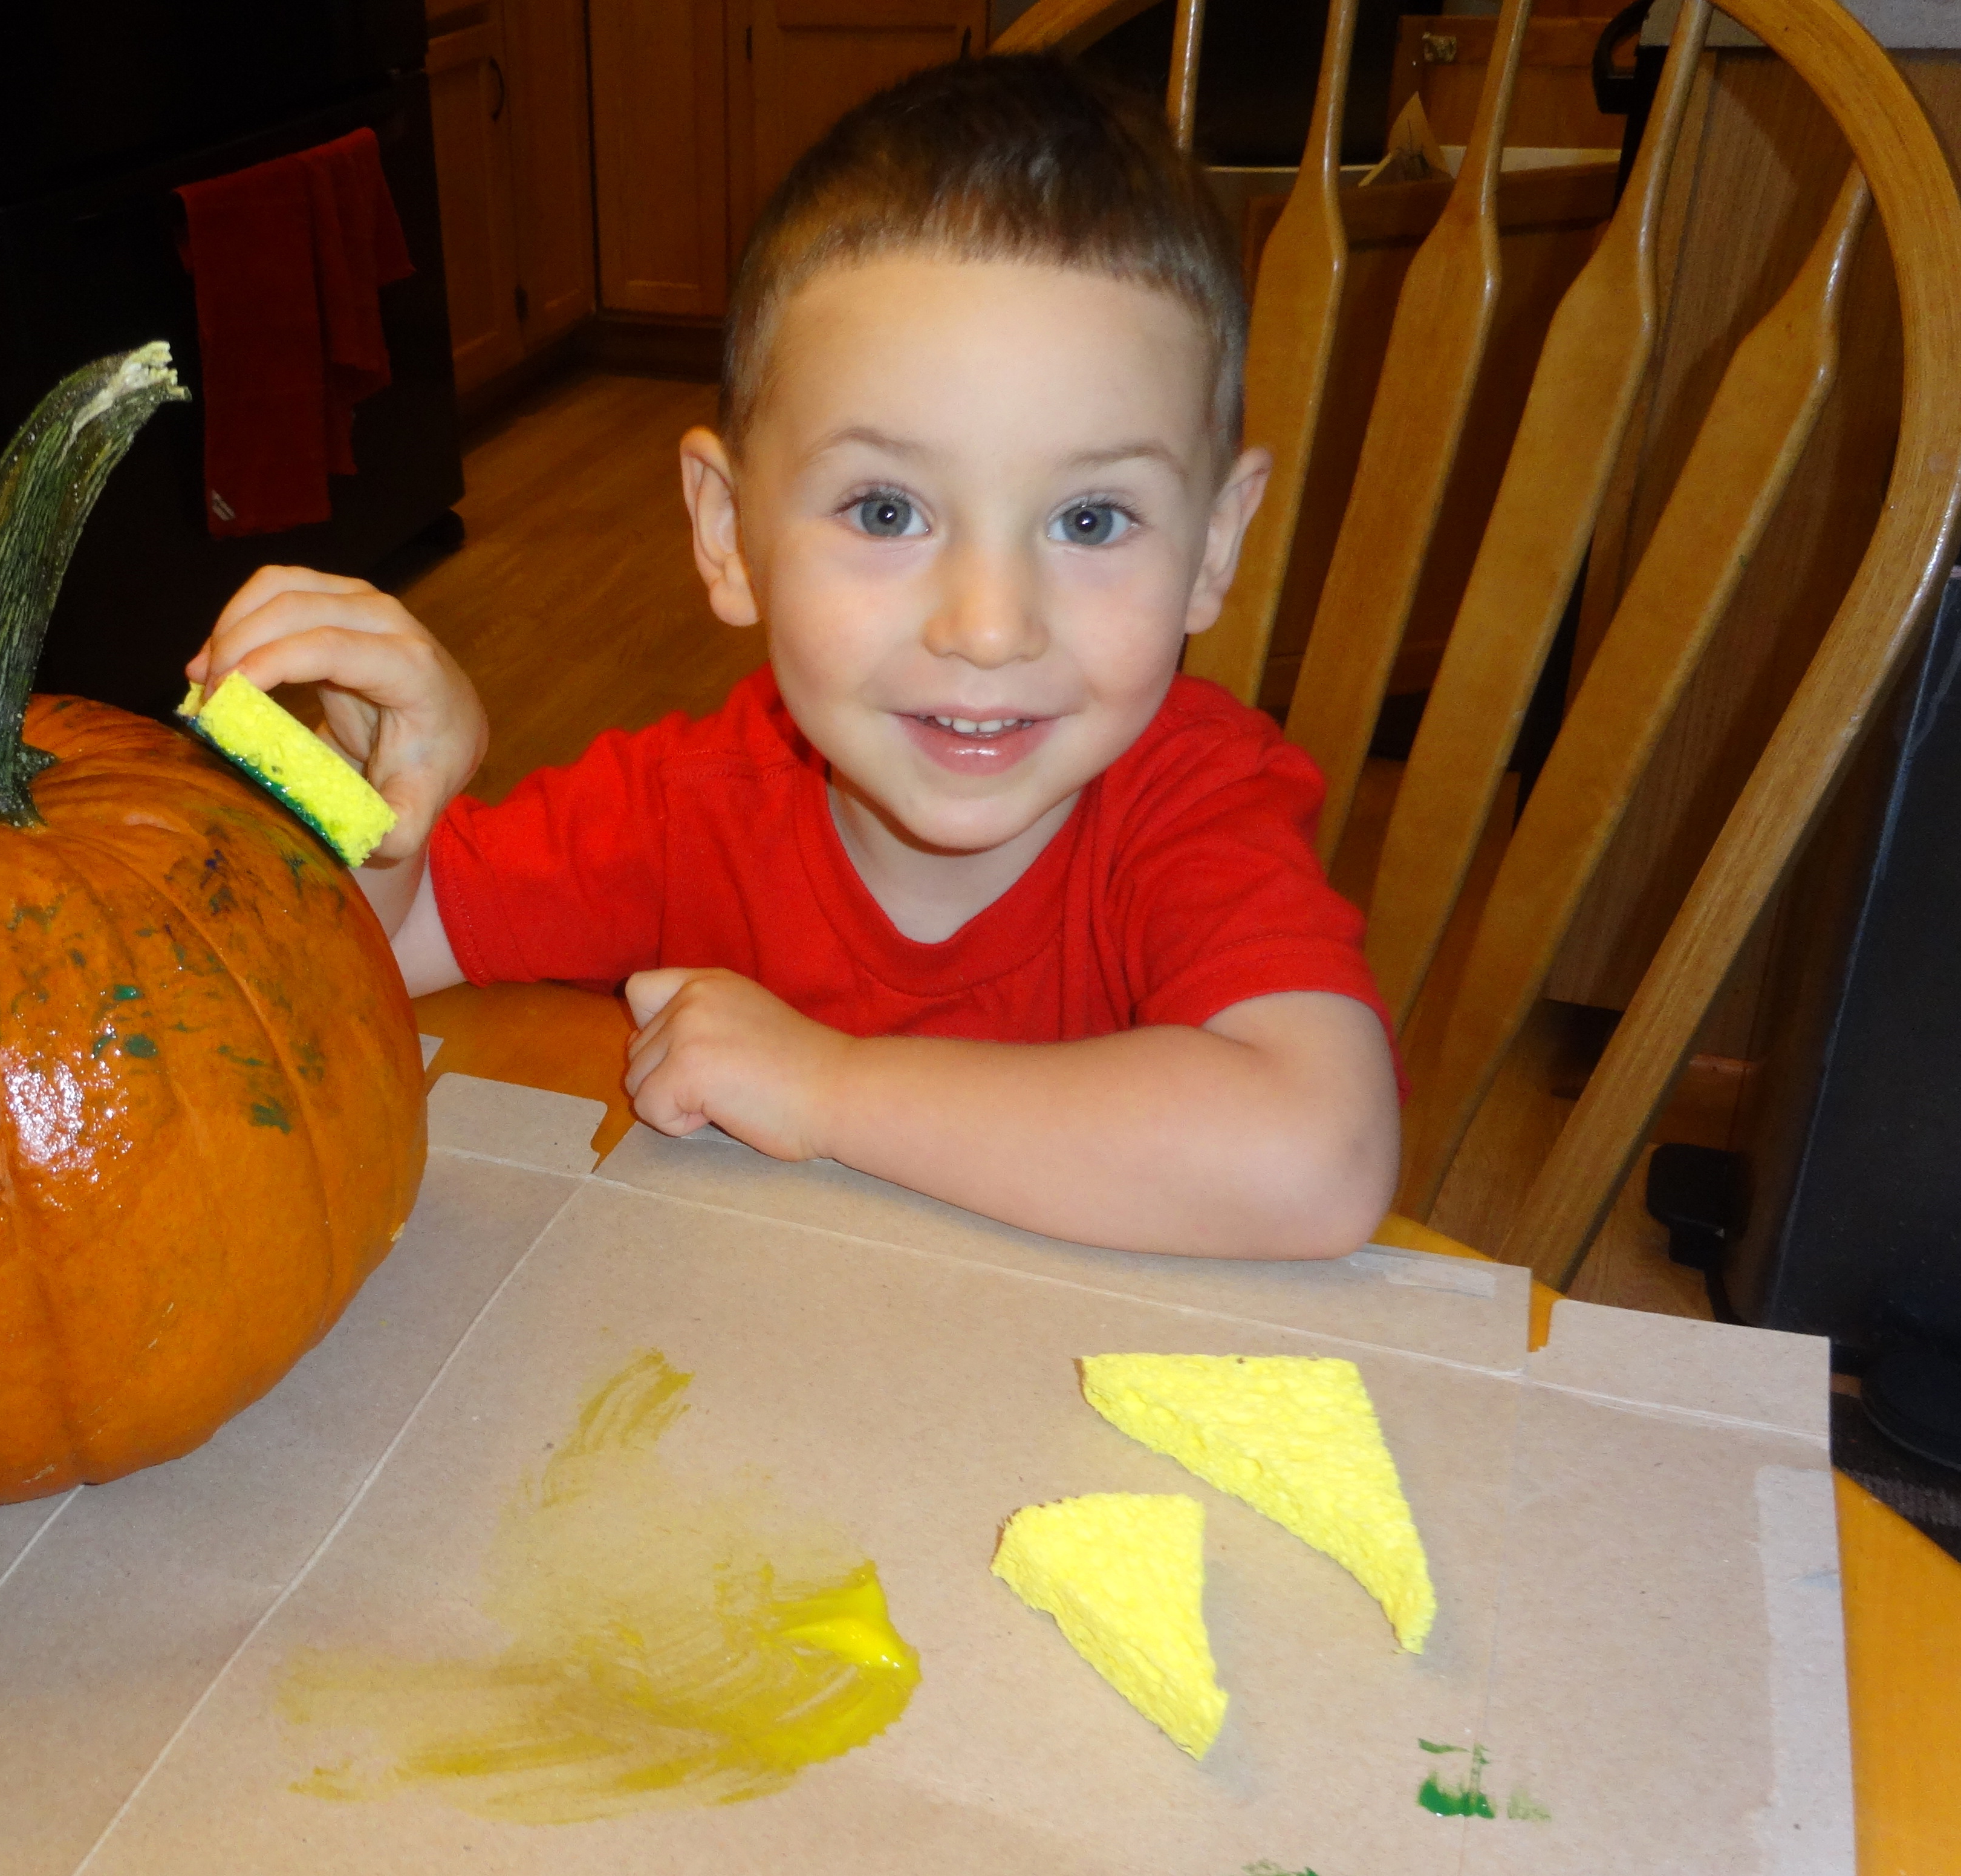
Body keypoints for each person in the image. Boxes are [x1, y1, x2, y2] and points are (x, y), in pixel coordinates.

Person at [185, 56, 1399, 1260]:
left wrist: (825, 1087)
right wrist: (382, 807)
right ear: (727, 532)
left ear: (1211, 547)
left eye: (1089, 520)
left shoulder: (1194, 805)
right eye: (886, 510)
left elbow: (1316, 1158)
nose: (988, 629)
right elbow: (366, 960)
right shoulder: (682, 811)